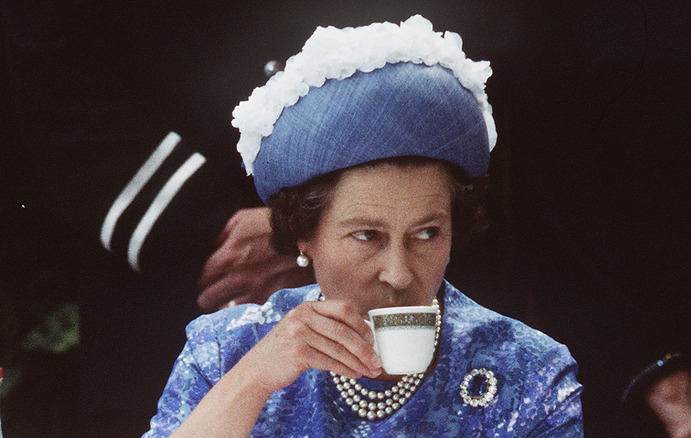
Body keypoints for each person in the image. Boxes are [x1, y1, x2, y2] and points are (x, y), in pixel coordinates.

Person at [143, 16, 583, 437]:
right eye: (367, 236)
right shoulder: (226, 352)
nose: (398, 273)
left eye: (427, 233)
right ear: (304, 235)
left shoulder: (525, 370)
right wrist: (253, 380)